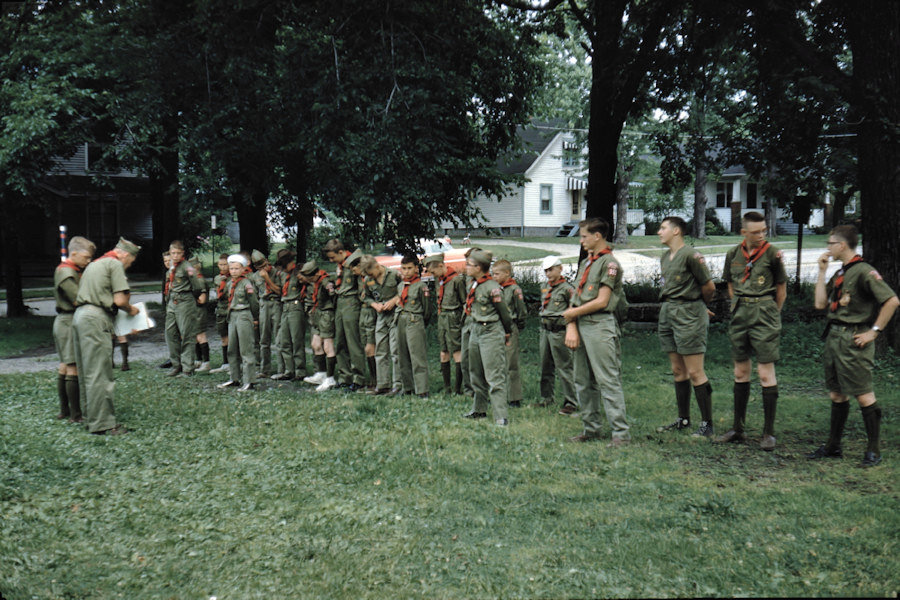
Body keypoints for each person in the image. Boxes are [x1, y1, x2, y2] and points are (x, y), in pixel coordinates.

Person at [807, 225, 898, 467]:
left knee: (863, 394)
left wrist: (874, 332)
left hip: (854, 338)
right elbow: (819, 304)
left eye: (830, 243)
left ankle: (873, 450)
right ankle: (834, 445)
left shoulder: (864, 271)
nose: (828, 247)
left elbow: (891, 301)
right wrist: (821, 272)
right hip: (835, 337)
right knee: (837, 393)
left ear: (842, 245)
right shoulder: (840, 273)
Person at [715, 212, 787, 450]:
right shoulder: (733, 254)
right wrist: (738, 306)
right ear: (743, 232)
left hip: (764, 311)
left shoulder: (772, 253)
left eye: (764, 230)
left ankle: (768, 433)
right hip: (740, 313)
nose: (761, 235)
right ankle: (738, 428)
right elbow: (730, 284)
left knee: (765, 373)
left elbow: (781, 289)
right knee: (740, 372)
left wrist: (772, 313)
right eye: (755, 232)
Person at [563, 218, 631, 446]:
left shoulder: (609, 264)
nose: (581, 240)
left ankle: (620, 433)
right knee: (582, 379)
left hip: (599, 326)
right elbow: (576, 297)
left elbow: (602, 301)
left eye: (584, 236)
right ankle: (591, 428)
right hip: (581, 324)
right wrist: (571, 323)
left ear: (597, 236)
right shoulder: (587, 263)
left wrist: (572, 315)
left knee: (607, 379)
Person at [72, 237, 140, 435]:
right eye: (131, 261)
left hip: (81, 317)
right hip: (96, 318)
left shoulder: (94, 264)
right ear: (125, 254)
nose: (129, 265)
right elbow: (119, 300)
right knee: (100, 372)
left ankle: (90, 416)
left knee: (86, 370)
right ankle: (103, 424)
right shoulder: (114, 264)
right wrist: (132, 311)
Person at [655, 216, 717, 437]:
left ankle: (707, 424)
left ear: (676, 231)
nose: (659, 232)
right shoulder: (665, 257)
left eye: (663, 228)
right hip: (668, 312)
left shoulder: (691, 255)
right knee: (678, 370)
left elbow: (709, 287)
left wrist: (700, 307)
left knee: (694, 371)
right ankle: (683, 419)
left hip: (689, 314)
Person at [462, 249, 513, 426]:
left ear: (479, 267)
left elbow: (504, 314)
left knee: (494, 374)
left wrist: (507, 332)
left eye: (470, 264)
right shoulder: (473, 283)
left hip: (490, 330)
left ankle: (500, 415)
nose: (466, 267)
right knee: (475, 372)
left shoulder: (493, 288)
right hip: (475, 329)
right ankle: (479, 409)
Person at [52, 235, 96, 423]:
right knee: (72, 367)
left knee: (65, 365)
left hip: (65, 320)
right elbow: (78, 298)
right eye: (86, 257)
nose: (89, 261)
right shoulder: (67, 272)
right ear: (74, 253)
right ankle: (75, 415)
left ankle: (65, 410)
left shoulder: (72, 269)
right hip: (68, 321)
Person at [324, 240, 367, 391]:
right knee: (340, 342)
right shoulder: (340, 266)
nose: (331, 261)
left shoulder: (354, 262)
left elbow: (362, 285)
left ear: (341, 252)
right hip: (340, 304)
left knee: (353, 342)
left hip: (351, 304)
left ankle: (358, 378)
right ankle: (344, 376)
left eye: (333, 257)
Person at [538, 255, 577, 413]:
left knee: (564, 366)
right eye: (546, 271)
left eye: (551, 270)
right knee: (545, 365)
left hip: (559, 331)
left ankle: (571, 401)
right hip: (545, 330)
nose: (548, 274)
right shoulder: (544, 286)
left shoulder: (567, 289)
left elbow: (573, 309)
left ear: (560, 269)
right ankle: (546, 397)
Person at [424, 253, 468, 395]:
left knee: (456, 350)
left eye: (433, 271)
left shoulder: (456, 280)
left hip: (453, 316)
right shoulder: (440, 280)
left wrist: (461, 320)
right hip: (442, 317)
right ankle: (447, 387)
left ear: (441, 266)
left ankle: (457, 388)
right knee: (443, 352)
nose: (432, 275)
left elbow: (464, 302)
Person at [359, 255, 402, 395]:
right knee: (380, 350)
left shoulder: (394, 275)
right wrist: (374, 304)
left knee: (395, 350)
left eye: (371, 273)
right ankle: (383, 384)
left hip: (395, 315)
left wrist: (395, 300)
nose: (370, 276)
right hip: (381, 316)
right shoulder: (368, 280)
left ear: (377, 266)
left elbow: (404, 291)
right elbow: (366, 296)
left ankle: (398, 384)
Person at [217, 254, 259, 391]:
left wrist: (255, 318)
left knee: (246, 349)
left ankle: (249, 381)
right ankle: (234, 378)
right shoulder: (229, 283)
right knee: (232, 348)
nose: (233, 271)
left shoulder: (247, 284)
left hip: (244, 315)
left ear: (243, 269)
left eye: (236, 268)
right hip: (232, 315)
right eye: (231, 268)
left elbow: (254, 303)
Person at [164, 240, 206, 377]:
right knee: (170, 333)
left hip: (185, 301)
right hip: (172, 301)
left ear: (183, 253)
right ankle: (176, 365)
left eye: (177, 253)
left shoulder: (187, 267)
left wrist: (190, 299)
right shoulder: (171, 266)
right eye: (172, 253)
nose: (175, 256)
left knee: (187, 334)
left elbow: (198, 286)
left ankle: (188, 368)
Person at [396, 254, 433, 397]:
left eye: (409, 268)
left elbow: (427, 310)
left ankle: (422, 389)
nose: (406, 272)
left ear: (416, 269)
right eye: (403, 268)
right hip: (401, 319)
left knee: (417, 355)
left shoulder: (421, 286)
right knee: (403, 354)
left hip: (415, 320)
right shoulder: (401, 285)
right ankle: (408, 387)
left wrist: (421, 322)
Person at [492, 259, 527, 407]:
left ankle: (514, 397)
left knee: (511, 363)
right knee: (496, 362)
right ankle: (498, 394)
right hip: (496, 327)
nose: (494, 277)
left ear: (507, 273)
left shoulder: (514, 289)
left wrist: (517, 326)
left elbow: (522, 311)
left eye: (497, 274)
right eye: (493, 274)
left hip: (510, 327)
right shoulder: (495, 289)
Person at [300, 260, 339, 392]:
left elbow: (334, 297)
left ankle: (330, 378)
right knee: (316, 344)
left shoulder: (325, 281)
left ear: (316, 274)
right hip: (317, 313)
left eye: (310, 277)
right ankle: (321, 373)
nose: (309, 280)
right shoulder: (315, 282)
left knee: (328, 346)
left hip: (326, 314)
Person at [272, 249, 307, 381]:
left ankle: (300, 371)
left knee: (296, 340)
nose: (281, 269)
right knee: (283, 340)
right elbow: (280, 290)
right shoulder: (283, 275)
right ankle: (289, 370)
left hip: (295, 307)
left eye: (283, 266)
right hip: (285, 308)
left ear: (290, 263)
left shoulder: (298, 273)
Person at [250, 250, 285, 378]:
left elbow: (280, 291)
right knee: (264, 339)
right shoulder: (254, 277)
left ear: (267, 261)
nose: (264, 269)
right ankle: (265, 369)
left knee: (279, 338)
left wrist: (267, 279)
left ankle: (282, 369)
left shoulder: (277, 273)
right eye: (260, 268)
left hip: (276, 304)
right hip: (264, 305)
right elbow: (254, 296)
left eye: (265, 265)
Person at [351, 259, 378, 390]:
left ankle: (375, 379)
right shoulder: (359, 279)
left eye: (354, 268)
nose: (352, 271)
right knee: (366, 347)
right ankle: (373, 379)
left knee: (370, 347)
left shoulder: (370, 278)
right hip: (363, 311)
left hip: (371, 311)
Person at [188, 255, 212, 373]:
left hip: (199, 310)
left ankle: (206, 362)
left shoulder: (199, 280)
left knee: (201, 336)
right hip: (194, 310)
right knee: (195, 335)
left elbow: (202, 299)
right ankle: (199, 359)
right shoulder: (195, 279)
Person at [210, 254, 232, 373]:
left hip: (230, 309)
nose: (223, 267)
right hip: (221, 309)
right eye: (221, 264)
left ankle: (234, 363)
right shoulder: (217, 278)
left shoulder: (233, 278)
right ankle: (225, 363)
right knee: (223, 337)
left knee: (233, 337)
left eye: (225, 264)